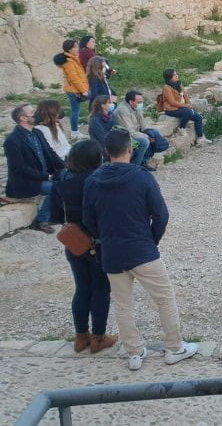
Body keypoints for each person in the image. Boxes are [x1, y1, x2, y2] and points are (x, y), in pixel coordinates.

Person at [82, 129, 198, 370]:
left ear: (106, 152)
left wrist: (105, 237)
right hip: (142, 249)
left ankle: (134, 352)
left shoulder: (92, 181)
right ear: (130, 150)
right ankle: (174, 347)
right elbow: (161, 215)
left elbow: (88, 220)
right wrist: (151, 240)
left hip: (112, 253)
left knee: (123, 305)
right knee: (164, 298)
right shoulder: (142, 177)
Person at [49, 140, 117, 354]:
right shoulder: (98, 180)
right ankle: (98, 337)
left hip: (74, 241)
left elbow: (55, 216)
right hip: (98, 241)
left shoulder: (61, 179)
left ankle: (81, 336)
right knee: (100, 288)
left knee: (82, 288)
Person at [3, 103, 65, 234]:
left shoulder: (37, 133)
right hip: (25, 182)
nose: (37, 114)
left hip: (43, 176)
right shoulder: (12, 140)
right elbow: (20, 168)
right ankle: (41, 220)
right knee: (54, 187)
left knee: (69, 177)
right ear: (23, 118)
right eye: (32, 112)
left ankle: (59, 215)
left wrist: (67, 167)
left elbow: (51, 153)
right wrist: (47, 177)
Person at [115, 91, 168, 170]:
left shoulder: (136, 107)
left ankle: (144, 161)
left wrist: (149, 133)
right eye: (139, 102)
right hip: (124, 136)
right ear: (131, 102)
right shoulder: (122, 110)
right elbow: (129, 131)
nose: (141, 104)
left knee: (154, 133)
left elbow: (143, 124)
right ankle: (135, 167)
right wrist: (147, 136)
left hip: (135, 132)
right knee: (144, 141)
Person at [161, 68, 211, 145]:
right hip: (172, 109)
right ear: (169, 77)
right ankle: (182, 127)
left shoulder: (179, 83)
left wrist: (189, 105)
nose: (177, 76)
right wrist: (185, 106)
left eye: (176, 74)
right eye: (174, 75)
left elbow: (185, 95)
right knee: (188, 112)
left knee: (198, 118)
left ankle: (200, 138)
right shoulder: (166, 88)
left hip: (182, 107)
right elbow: (172, 102)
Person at [54, 39, 88, 140]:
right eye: (75, 47)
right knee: (75, 111)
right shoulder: (68, 61)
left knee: (76, 110)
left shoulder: (73, 58)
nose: (78, 49)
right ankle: (74, 132)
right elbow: (74, 78)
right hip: (73, 90)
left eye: (77, 46)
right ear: (69, 49)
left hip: (75, 89)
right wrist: (83, 90)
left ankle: (75, 128)